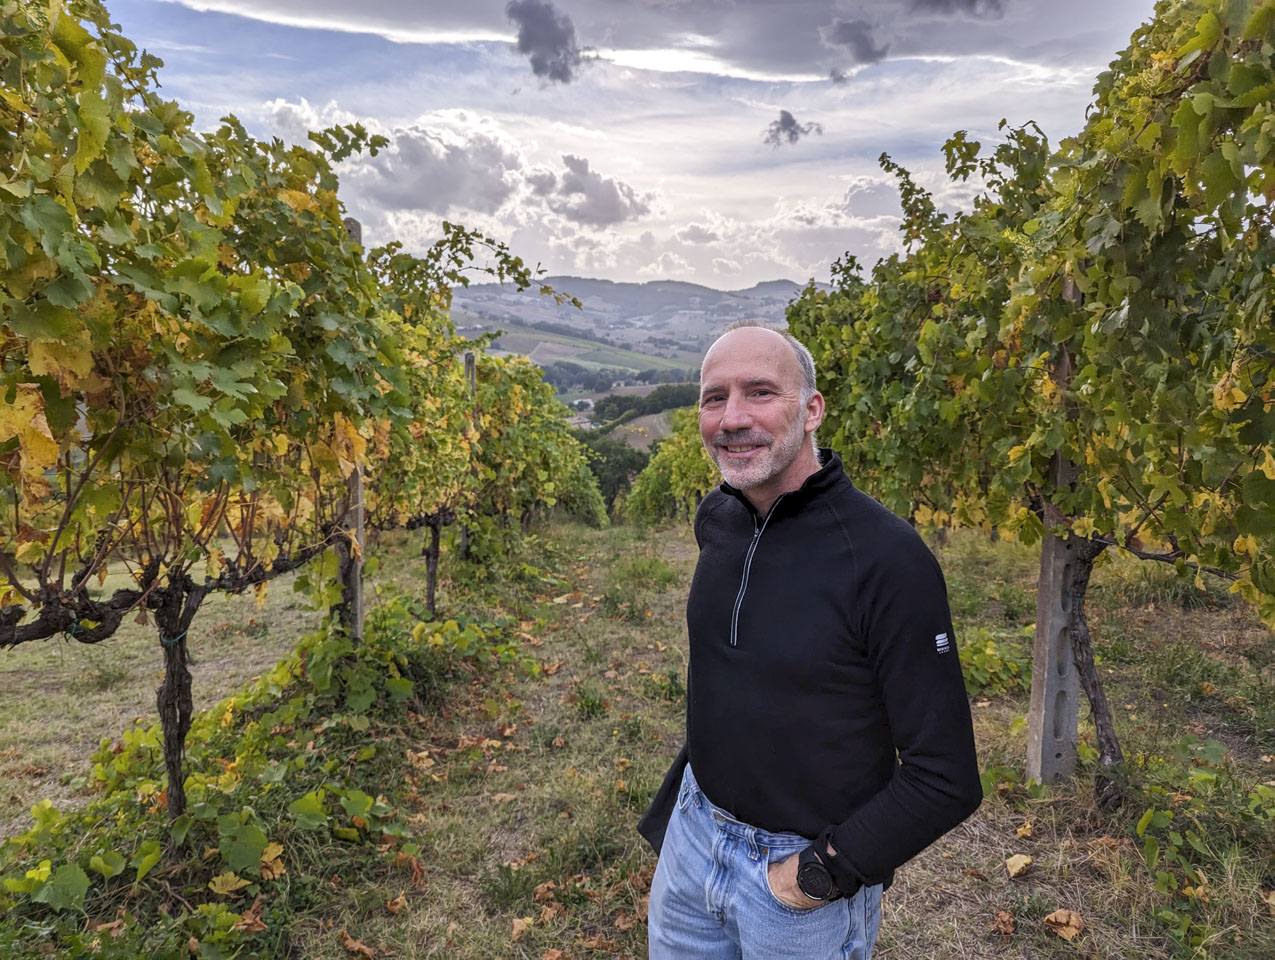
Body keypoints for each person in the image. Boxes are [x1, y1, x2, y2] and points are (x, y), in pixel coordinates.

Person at [639, 323, 982, 959]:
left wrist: (816, 875)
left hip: (796, 883)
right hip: (692, 845)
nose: (733, 417)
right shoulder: (719, 517)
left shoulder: (887, 559)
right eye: (715, 398)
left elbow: (946, 778)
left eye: (760, 392)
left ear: (813, 409)